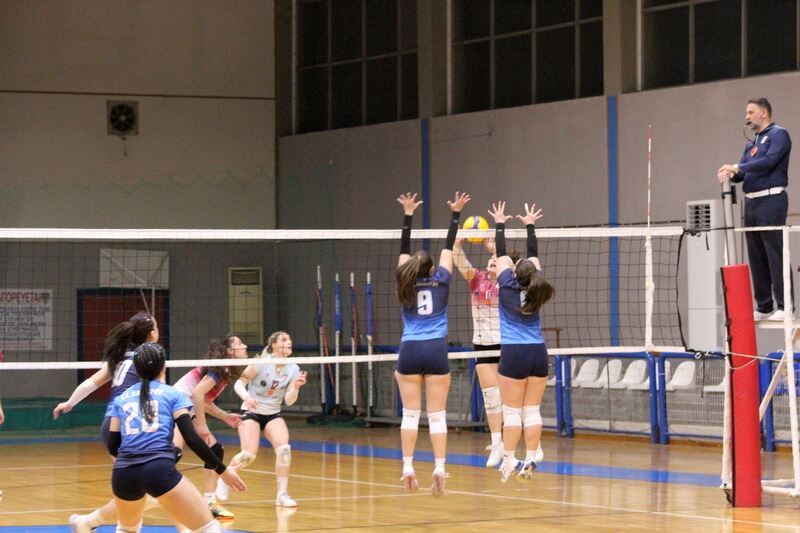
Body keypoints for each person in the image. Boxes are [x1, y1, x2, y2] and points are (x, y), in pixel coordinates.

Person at [107, 342, 247, 533]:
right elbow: (192, 439)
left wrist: (134, 462)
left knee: (127, 529)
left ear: (137, 370)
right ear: (163, 366)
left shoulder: (121, 398)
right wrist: (223, 470)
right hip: (158, 470)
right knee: (209, 527)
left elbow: (113, 445)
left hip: (123, 474)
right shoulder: (173, 394)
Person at [52, 312, 162, 533]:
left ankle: (89, 522)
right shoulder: (152, 357)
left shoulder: (120, 357)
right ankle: (90, 522)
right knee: (147, 491)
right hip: (131, 426)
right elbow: (159, 394)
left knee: (136, 490)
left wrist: (70, 402)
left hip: (110, 425)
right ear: (152, 334)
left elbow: (90, 384)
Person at [395, 191, 470, 497]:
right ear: (430, 268)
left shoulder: (404, 280)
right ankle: (439, 467)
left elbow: (404, 249)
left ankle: (407, 466)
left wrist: (408, 214)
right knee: (437, 415)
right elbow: (448, 247)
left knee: (410, 414)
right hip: (436, 348)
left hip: (410, 349)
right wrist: (455, 214)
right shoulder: (441, 279)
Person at [453, 238, 544, 468]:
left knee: (517, 402)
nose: (492, 261)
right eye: (490, 259)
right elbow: (460, 262)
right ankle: (497, 444)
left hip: (507, 345)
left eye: (496, 259)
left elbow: (516, 264)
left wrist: (497, 249)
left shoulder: (509, 285)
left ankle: (534, 443)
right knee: (492, 398)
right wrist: (457, 247)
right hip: (483, 344)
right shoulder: (477, 279)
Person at [487, 201, 555, 483]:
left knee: (513, 412)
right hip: (538, 351)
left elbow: (501, 253)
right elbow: (533, 255)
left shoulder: (506, 286)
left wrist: (499, 222)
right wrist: (530, 225)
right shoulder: (537, 287)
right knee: (532, 410)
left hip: (514, 353)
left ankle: (508, 460)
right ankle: (531, 456)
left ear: (515, 274)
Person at [718, 98, 793, 322]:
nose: (747, 117)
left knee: (774, 252)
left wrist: (737, 167)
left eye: (751, 112)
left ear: (764, 113)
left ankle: (785, 305)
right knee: (756, 255)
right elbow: (742, 173)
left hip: (771, 201)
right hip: (751, 204)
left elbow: (769, 162)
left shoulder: (779, 135)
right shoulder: (752, 143)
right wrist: (729, 173)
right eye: (747, 113)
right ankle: (764, 305)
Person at [215, 331, 307, 508]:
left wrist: (295, 387)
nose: (289, 342)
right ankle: (225, 479)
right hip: (251, 411)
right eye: (284, 339)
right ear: (274, 345)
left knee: (284, 449)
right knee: (248, 454)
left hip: (273, 413)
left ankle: (282, 494)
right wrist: (248, 398)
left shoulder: (293, 369)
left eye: (290, 339)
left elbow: (288, 400)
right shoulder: (261, 363)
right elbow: (239, 384)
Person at [172, 335, 248, 521]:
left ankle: (209, 503)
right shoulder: (219, 369)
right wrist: (202, 425)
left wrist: (224, 416)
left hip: (185, 407)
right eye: (240, 344)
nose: (245, 346)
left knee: (214, 450)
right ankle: (147, 489)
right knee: (173, 454)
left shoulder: (225, 370)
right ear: (230, 351)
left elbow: (203, 400)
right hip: (173, 406)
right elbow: (197, 394)